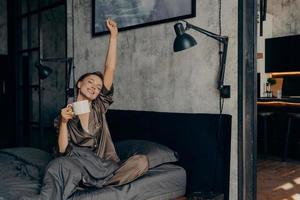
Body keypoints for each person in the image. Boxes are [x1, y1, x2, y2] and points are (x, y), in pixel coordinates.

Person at [21, 19, 148, 200]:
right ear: (79, 84)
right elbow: (63, 150)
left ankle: (91, 183)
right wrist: (64, 122)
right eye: (90, 82)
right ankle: (86, 181)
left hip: (105, 165)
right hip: (79, 163)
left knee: (141, 162)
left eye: (98, 86)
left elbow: (109, 68)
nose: (95, 87)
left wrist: (114, 37)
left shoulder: (99, 106)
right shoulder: (66, 113)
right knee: (58, 166)